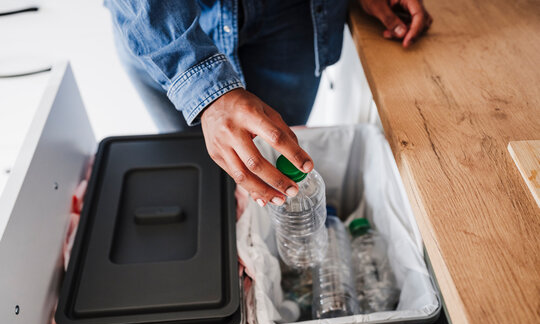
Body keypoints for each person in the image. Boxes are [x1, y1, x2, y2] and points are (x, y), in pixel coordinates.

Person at [105, 0, 432, 208]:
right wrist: (199, 84)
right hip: (169, 26)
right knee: (195, 181)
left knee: (269, 164)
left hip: (295, 17)